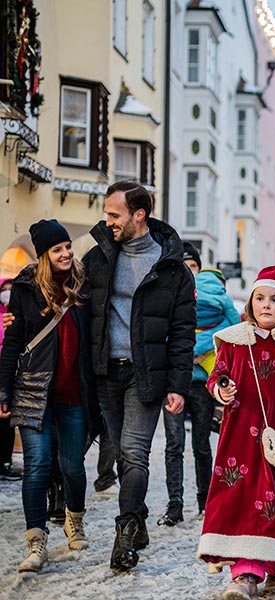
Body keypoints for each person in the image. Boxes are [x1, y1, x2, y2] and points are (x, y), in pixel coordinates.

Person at [83, 180, 195, 571]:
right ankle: (139, 518)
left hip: (145, 376)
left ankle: (125, 534)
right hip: (103, 373)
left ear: (138, 215)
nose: (107, 220)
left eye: (114, 214)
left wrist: (179, 384)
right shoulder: (98, 258)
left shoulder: (174, 270)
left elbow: (183, 332)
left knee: (134, 454)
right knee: (119, 458)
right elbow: (73, 307)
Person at [199, 266, 275, 599]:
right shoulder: (233, 341)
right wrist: (221, 389)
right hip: (241, 439)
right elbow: (218, 375)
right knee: (242, 502)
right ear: (250, 303)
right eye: (260, 298)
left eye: (274, 299)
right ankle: (245, 574)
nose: (266, 305)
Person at [0, 220, 101, 572]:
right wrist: (2, 388)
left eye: (68, 247)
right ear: (44, 255)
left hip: (75, 393)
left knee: (72, 467)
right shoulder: (25, 288)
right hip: (32, 389)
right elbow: (13, 341)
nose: (66, 253)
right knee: (38, 466)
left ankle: (74, 519)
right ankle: (35, 542)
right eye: (57, 249)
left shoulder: (85, 283)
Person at [160, 267, 240, 526]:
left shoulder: (191, 295)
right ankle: (176, 504)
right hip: (175, 383)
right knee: (175, 445)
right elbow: (234, 327)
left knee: (201, 445)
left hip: (204, 387)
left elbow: (234, 332)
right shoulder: (184, 296)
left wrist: (191, 348)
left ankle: (205, 501)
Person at [0, 277, 21, 481]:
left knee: (7, 422)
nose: (7, 293)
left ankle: (6, 462)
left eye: (10, 289)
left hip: (11, 373)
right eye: (4, 289)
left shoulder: (15, 315)